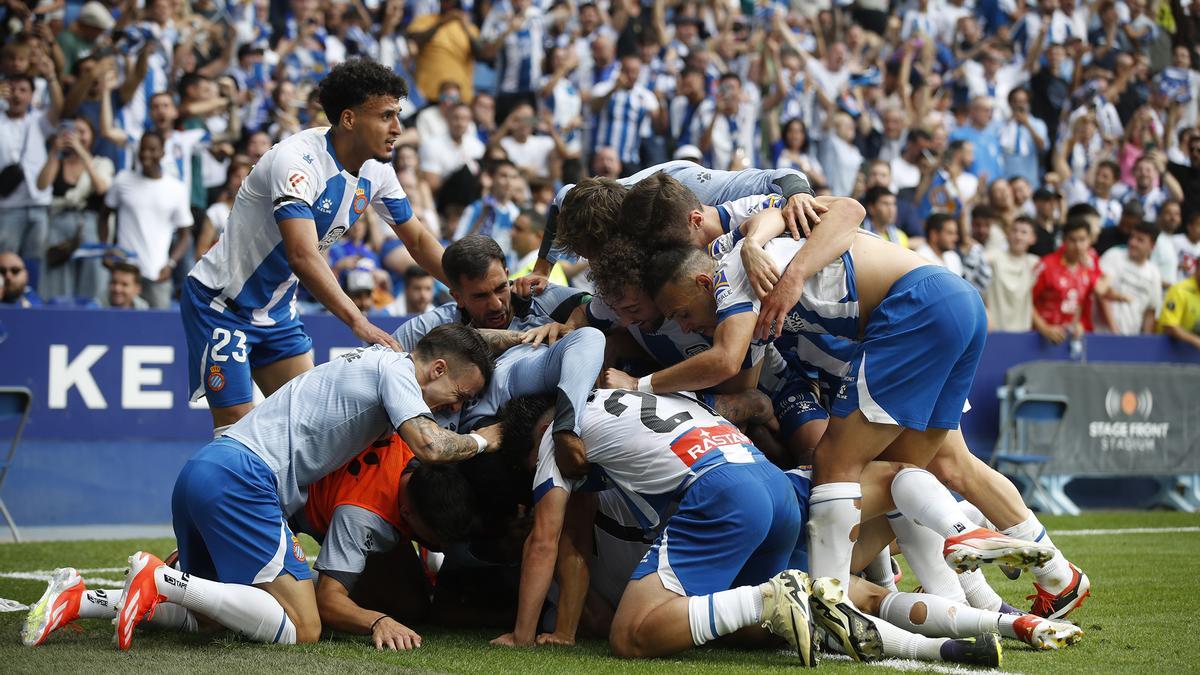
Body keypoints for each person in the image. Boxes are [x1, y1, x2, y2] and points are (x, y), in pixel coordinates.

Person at [638, 200, 1054, 593]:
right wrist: (754, 243)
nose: (683, 326)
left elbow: (845, 209)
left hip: (909, 311)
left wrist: (639, 385)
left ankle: (840, 598)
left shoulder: (731, 268)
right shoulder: (739, 247)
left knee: (835, 463)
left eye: (681, 315)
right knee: (931, 467)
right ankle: (1051, 577)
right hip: (944, 302)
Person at [109, 324, 496, 651]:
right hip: (244, 479)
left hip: (205, 468)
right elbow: (431, 445)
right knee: (304, 627)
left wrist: (539, 336)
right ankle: (161, 577)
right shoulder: (397, 374)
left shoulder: (379, 360)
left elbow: (468, 340)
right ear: (438, 368)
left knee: (209, 619)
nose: (455, 409)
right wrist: (486, 439)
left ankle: (86, 600)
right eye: (459, 396)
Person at [183, 59, 445, 433]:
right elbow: (303, 255)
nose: (397, 128)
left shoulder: (378, 171)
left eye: (398, 115)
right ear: (350, 119)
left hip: (276, 311)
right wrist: (359, 321)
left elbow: (418, 240)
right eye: (386, 116)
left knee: (305, 427)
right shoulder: (298, 161)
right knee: (237, 430)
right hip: (221, 305)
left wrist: (464, 288)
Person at [98, 131, 194, 309]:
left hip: (156, 274)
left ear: (163, 153)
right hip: (124, 273)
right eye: (143, 149)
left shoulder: (176, 188)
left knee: (157, 333)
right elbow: (104, 216)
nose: (146, 154)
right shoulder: (122, 180)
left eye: (152, 149)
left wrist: (170, 264)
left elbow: (185, 235)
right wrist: (106, 248)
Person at [1032, 217, 1116, 343]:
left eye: (1082, 240)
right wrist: (1044, 328)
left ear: (1089, 241)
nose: (1077, 246)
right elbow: (1025, 300)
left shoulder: (1088, 269)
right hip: (1038, 340)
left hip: (1070, 341)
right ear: (1064, 241)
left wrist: (1080, 325)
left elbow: (1082, 307)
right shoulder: (1046, 266)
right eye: (1072, 240)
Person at [1099, 221, 1163, 335]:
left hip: (1131, 338)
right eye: (1132, 237)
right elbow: (1102, 293)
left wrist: (1145, 342)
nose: (1133, 243)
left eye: (1140, 240)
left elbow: (1150, 311)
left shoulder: (1154, 273)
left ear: (1152, 246)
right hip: (1102, 334)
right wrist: (1114, 329)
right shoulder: (1114, 255)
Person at [985, 218, 1040, 332]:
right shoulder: (994, 257)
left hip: (1023, 333)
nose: (1018, 236)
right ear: (1008, 235)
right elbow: (978, 261)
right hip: (995, 332)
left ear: (1032, 239)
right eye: (1014, 231)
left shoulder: (1035, 263)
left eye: (1024, 232)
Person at [509, 209, 567, 285]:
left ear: (539, 236)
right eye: (513, 227)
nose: (511, 233)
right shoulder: (525, 265)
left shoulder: (540, 275)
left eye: (519, 229)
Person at [1158, 261, 1200, 349]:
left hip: (1192, 353)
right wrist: (1196, 341)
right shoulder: (1179, 290)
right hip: (1165, 350)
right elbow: (1169, 326)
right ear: (1197, 269)